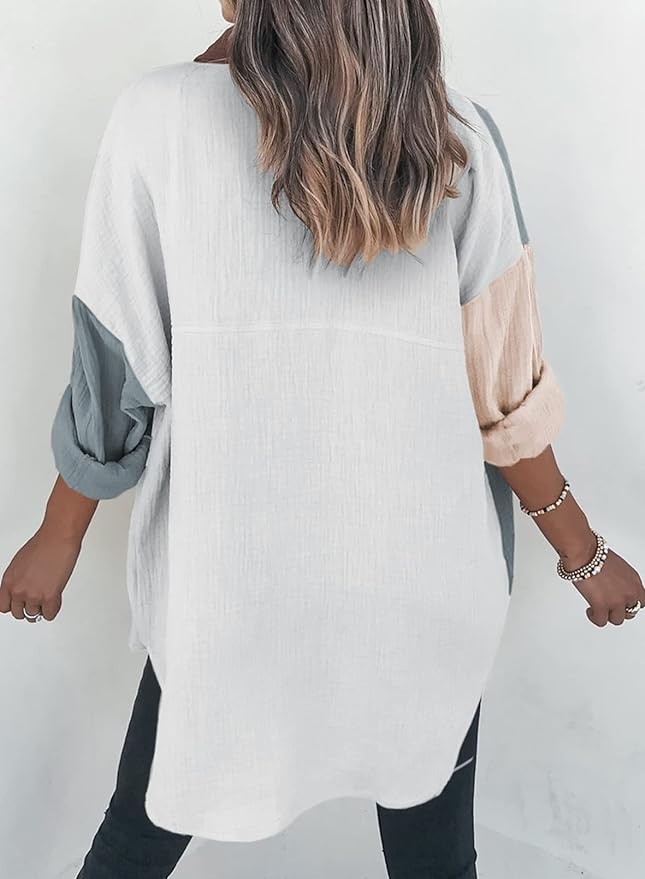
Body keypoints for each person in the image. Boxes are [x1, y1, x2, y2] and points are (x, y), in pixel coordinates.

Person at [2, 3, 644, 878]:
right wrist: (581, 552)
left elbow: (115, 375)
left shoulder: (158, 117)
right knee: (436, 864)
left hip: (229, 594)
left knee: (134, 842)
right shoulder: (457, 136)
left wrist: (58, 535)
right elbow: (504, 395)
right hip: (423, 596)